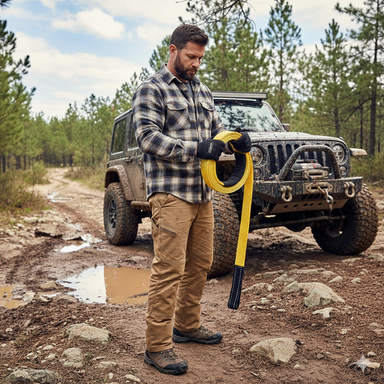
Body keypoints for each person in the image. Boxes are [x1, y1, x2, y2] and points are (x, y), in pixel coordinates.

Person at [132, 24, 251, 375]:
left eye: (200, 57)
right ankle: (156, 346)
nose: (197, 63)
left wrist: (236, 141)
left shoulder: (202, 90)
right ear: (173, 50)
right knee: (169, 268)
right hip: (170, 193)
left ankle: (186, 325)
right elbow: (148, 138)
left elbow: (217, 133)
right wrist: (194, 149)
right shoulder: (150, 90)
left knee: (201, 262)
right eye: (191, 56)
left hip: (203, 193)